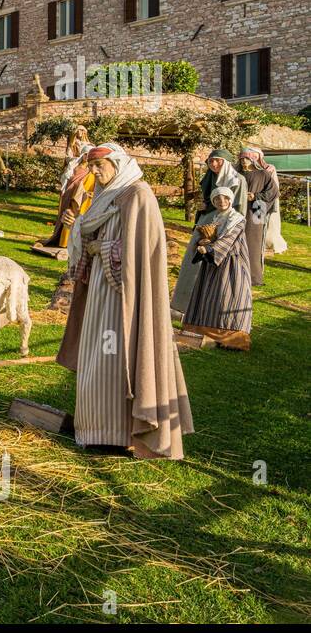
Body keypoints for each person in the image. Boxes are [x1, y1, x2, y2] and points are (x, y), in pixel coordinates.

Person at [56, 143, 192, 459]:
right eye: (90, 166)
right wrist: (76, 226)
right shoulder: (107, 196)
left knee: (114, 360)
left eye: (98, 165)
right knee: (95, 361)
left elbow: (138, 254)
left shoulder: (138, 195)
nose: (93, 171)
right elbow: (96, 238)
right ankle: (93, 430)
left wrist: (100, 250)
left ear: (117, 163)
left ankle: (118, 435)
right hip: (99, 297)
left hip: (125, 303)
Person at [179, 186, 252, 348]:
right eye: (217, 199)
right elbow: (202, 236)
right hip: (211, 263)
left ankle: (232, 338)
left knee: (228, 296)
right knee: (209, 296)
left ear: (230, 200)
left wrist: (210, 248)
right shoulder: (213, 218)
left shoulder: (237, 219)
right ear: (213, 201)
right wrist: (201, 242)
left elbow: (229, 239)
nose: (222, 201)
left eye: (225, 198)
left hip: (232, 264)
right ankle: (202, 330)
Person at [42, 144, 95, 249]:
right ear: (83, 155)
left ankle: (69, 243)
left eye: (89, 155)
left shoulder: (91, 170)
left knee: (74, 217)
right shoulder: (74, 165)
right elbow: (66, 179)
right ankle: (62, 241)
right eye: (86, 154)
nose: (87, 157)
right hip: (69, 193)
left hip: (80, 196)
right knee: (65, 216)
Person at [239, 146, 279, 286]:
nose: (244, 161)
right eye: (242, 159)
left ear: (253, 159)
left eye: (247, 158)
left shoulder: (263, 174)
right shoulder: (238, 174)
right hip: (240, 210)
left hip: (258, 209)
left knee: (254, 242)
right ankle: (238, 273)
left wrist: (255, 196)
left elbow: (273, 193)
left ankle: (254, 277)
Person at [197, 148, 246, 223]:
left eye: (217, 160)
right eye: (211, 161)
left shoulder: (236, 180)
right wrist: (203, 203)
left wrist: (235, 222)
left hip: (227, 218)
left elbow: (238, 203)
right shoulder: (209, 177)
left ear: (226, 162)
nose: (213, 164)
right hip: (206, 215)